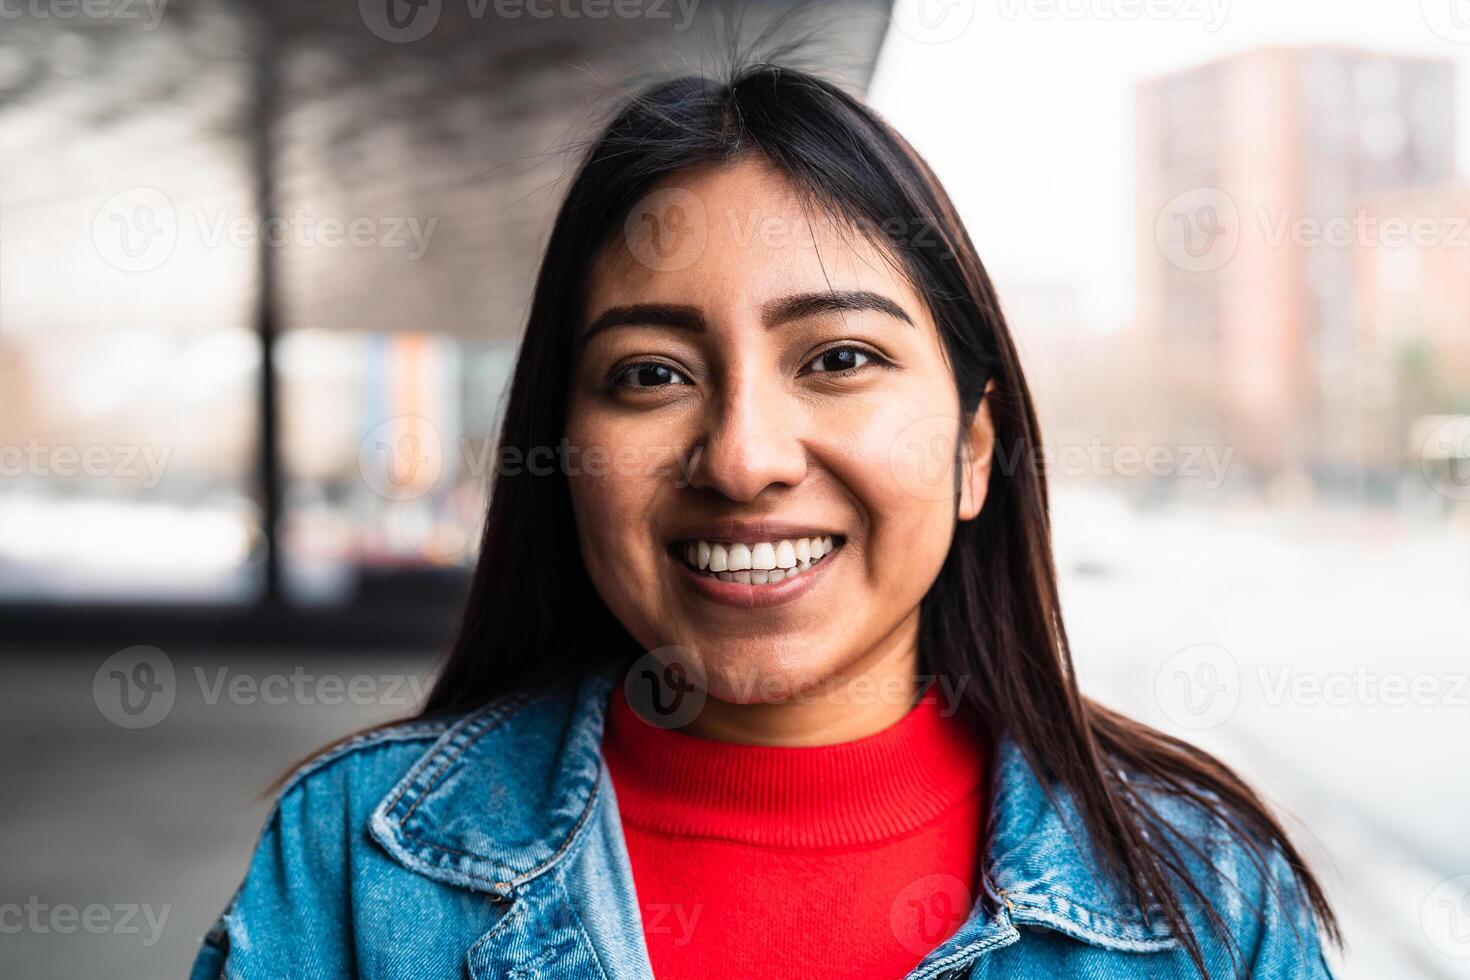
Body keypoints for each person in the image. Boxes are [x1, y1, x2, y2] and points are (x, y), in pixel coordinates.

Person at [190, 59, 1340, 980]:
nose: (742, 458)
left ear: (974, 448)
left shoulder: (1207, 904)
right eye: (649, 374)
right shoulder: (355, 862)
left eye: (839, 357)